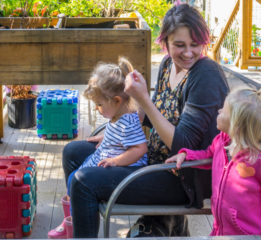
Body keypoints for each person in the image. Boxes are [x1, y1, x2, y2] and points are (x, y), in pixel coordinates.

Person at [62, 4, 229, 237]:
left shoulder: (206, 76)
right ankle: (77, 224)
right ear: (166, 42)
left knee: (83, 182)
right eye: (179, 45)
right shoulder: (169, 64)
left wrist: (143, 99)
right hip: (152, 159)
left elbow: (184, 144)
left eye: (196, 44)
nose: (189, 52)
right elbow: (154, 116)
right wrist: (117, 131)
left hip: (180, 176)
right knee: (73, 152)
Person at [166, 88, 261, 240]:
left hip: (250, 236)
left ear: (236, 125)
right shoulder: (221, 142)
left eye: (223, 111)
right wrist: (186, 155)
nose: (218, 111)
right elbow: (207, 155)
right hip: (221, 232)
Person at [48, 57, 148, 239]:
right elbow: (120, 136)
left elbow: (139, 148)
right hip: (108, 156)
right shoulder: (118, 115)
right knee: (73, 175)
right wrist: (105, 137)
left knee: (76, 181)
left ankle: (73, 222)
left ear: (117, 100)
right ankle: (72, 220)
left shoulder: (128, 121)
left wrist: (115, 161)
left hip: (127, 169)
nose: (97, 109)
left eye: (100, 104)